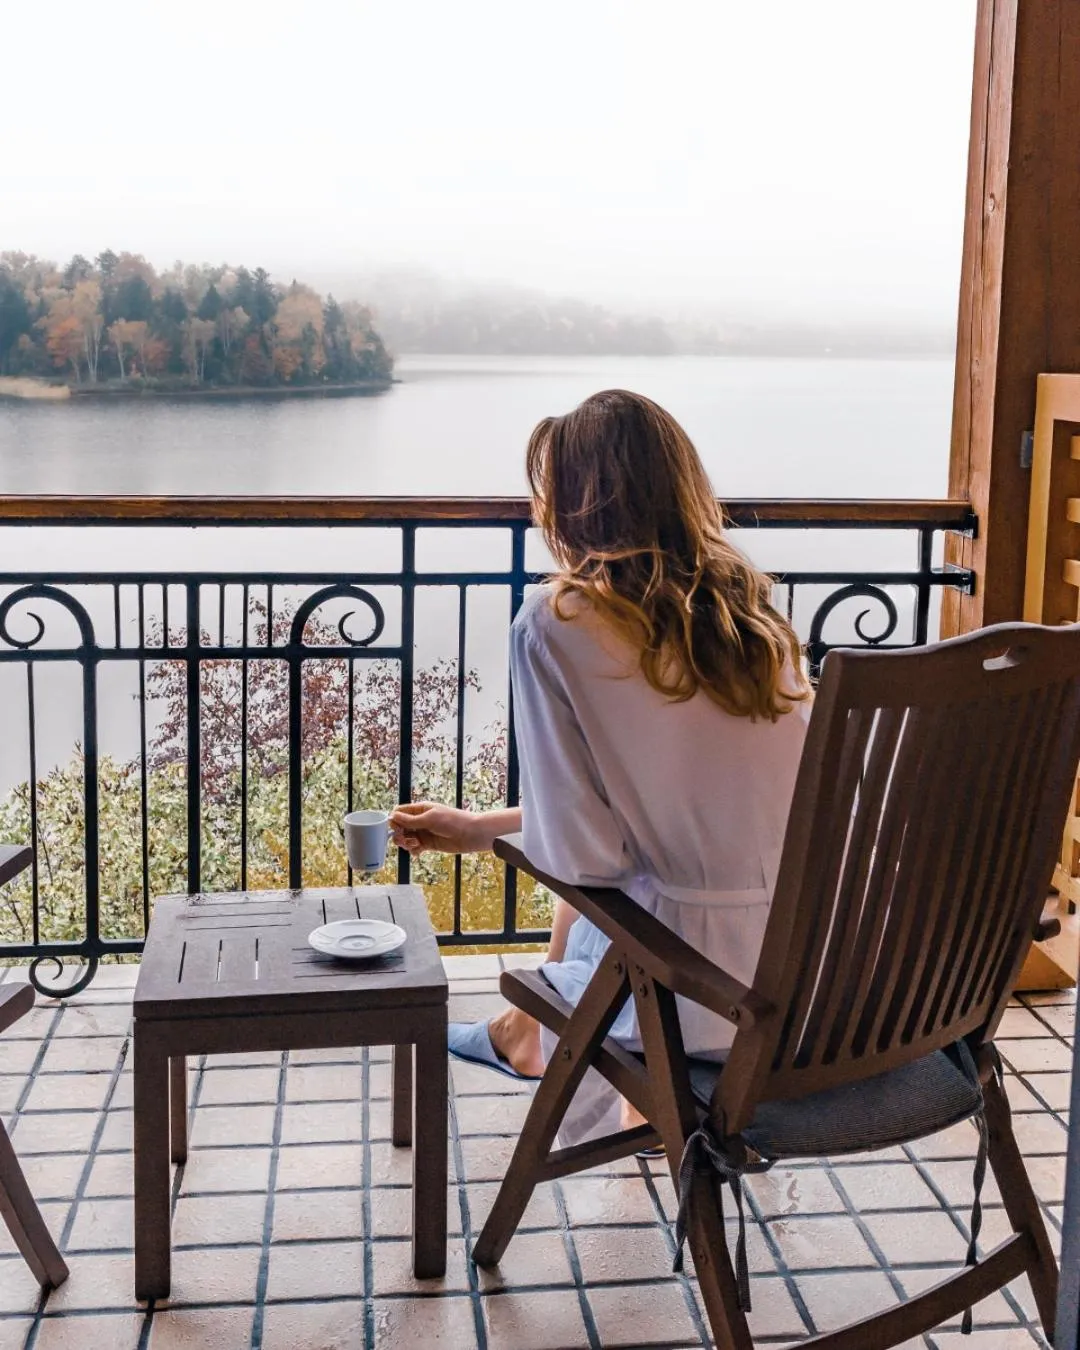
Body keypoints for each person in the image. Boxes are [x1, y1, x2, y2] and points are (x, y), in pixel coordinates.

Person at [391, 389, 811, 1144]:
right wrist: (480, 827)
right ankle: (547, 1051)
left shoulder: (558, 625)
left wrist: (490, 834)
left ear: (575, 508)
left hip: (695, 999)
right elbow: (686, 812)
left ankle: (529, 1036)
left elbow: (585, 855)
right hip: (814, 977)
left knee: (622, 899)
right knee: (645, 887)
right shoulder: (754, 622)